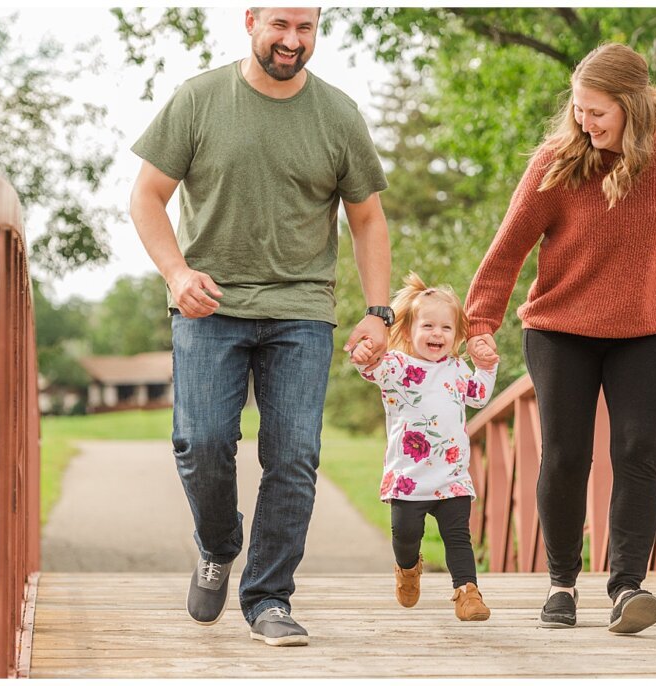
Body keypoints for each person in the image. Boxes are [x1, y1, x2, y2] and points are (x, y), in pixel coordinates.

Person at [465, 42, 656, 634]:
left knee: (639, 451)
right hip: (559, 329)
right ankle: (562, 584)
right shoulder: (557, 160)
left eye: (597, 111)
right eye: (578, 109)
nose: (584, 122)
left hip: (646, 332)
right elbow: (509, 245)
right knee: (567, 455)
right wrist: (480, 322)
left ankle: (627, 588)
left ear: (633, 106)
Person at [129, 7, 393, 647]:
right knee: (203, 442)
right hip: (208, 304)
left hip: (302, 308)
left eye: (305, 29)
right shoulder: (199, 99)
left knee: (294, 455)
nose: (291, 41)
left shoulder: (337, 115)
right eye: (280, 25)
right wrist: (176, 274)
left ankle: (270, 596)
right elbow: (145, 196)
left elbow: (367, 219)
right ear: (250, 20)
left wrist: (379, 311)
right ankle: (219, 546)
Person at [350, 273, 498, 621]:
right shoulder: (399, 366)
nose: (437, 334)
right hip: (409, 478)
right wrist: (364, 352)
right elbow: (370, 369)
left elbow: (478, 396)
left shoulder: (458, 368)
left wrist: (486, 367)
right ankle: (407, 569)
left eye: (446, 328)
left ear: (457, 335)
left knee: (458, 537)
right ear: (409, 331)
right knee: (406, 536)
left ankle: (467, 593)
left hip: (452, 477)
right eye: (428, 326)